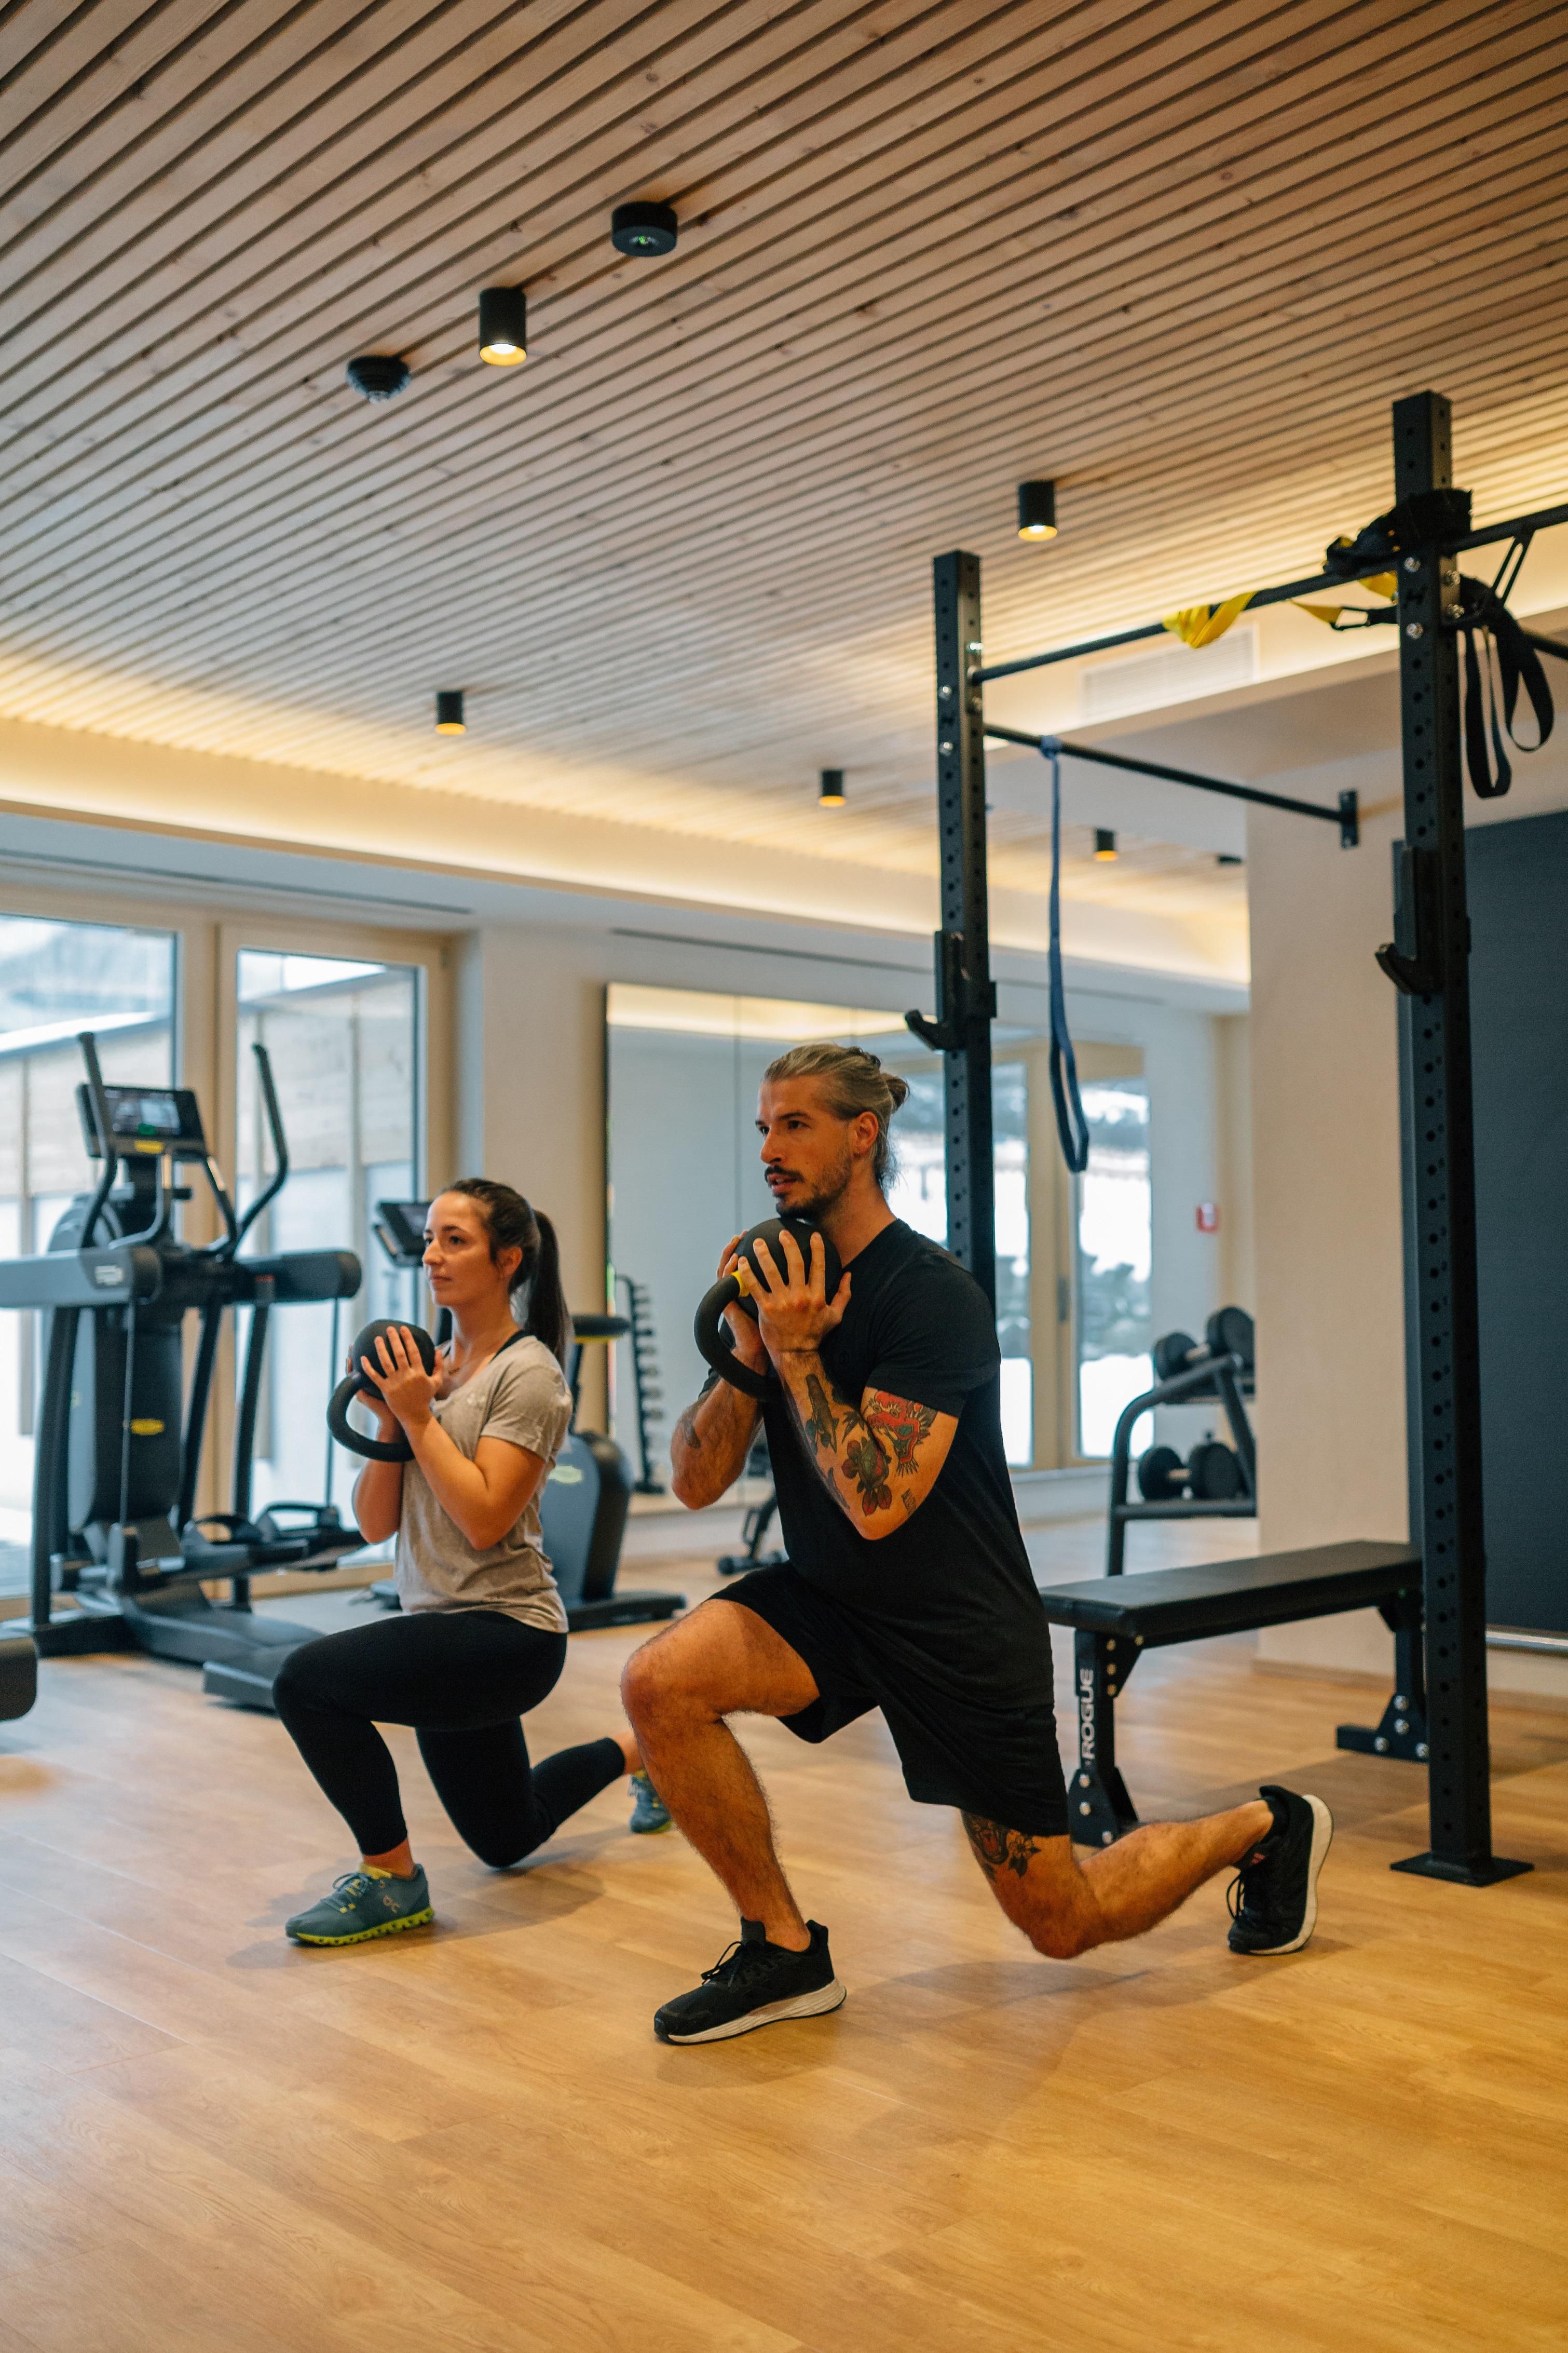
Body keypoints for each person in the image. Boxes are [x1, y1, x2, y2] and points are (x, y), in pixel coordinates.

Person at [621, 1043, 1332, 2043]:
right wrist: (751, 1349)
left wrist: (798, 1352)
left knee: (1062, 1921)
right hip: (831, 1602)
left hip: (955, 1628)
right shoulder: (782, 1284)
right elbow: (694, 1484)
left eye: (795, 1125)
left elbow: (878, 1502)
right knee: (659, 1682)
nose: (771, 1150)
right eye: (764, 1128)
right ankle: (782, 1950)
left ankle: (1265, 1825)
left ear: (861, 1135)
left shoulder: (930, 1296)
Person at [276, 1179, 666, 1949]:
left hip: (505, 1635)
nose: (432, 1256)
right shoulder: (425, 1368)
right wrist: (396, 1415)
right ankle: (644, 1752)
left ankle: (391, 1880)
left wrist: (419, 1417)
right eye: (429, 1239)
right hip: (437, 1627)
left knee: (305, 1683)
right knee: (506, 1838)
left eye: (454, 1240)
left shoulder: (530, 1376)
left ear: (507, 1259)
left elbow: (486, 1520)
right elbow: (373, 1522)